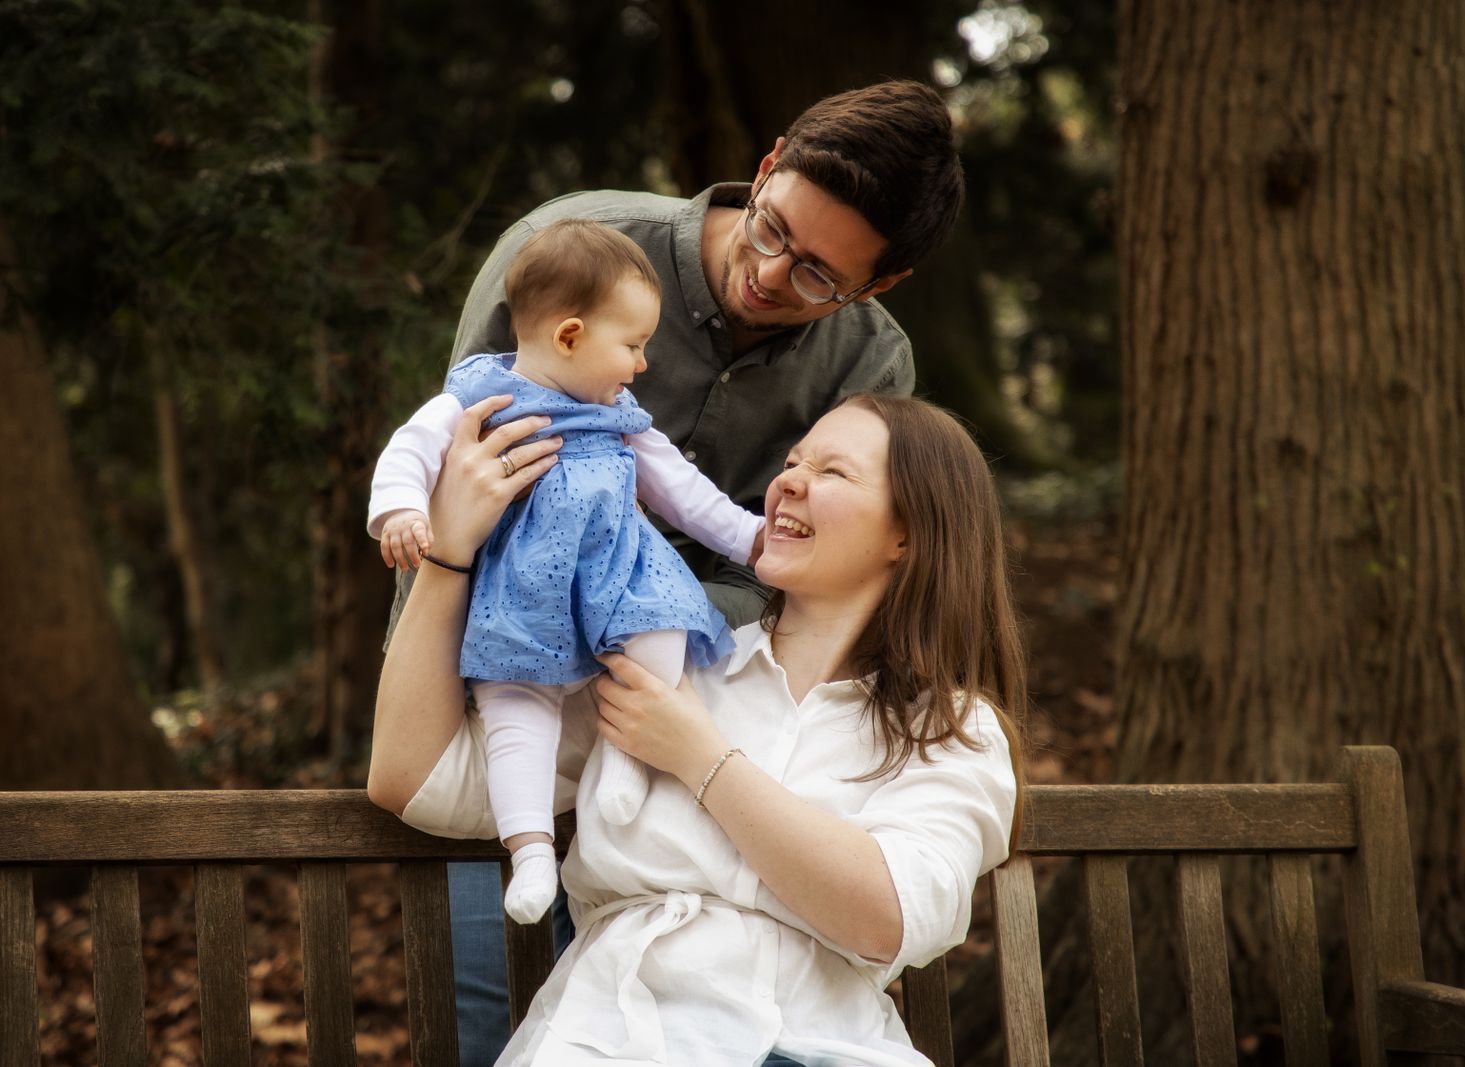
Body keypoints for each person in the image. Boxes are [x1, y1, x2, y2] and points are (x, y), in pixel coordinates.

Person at [391, 79, 968, 1066]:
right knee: (489, 1021)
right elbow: (464, 488)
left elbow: (811, 574)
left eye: (821, 274)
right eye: (773, 226)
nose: (771, 273)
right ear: (768, 160)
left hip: (694, 732)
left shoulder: (867, 364)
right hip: (513, 688)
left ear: (882, 283)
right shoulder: (575, 248)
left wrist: (664, 657)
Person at [369, 391, 1027, 1066]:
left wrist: (701, 757)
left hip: (823, 1047)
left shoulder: (952, 731)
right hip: (615, 1042)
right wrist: (449, 555)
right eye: (793, 461)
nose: (789, 481)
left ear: (909, 532)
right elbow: (414, 778)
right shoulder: (662, 662)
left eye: (833, 472)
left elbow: (887, 915)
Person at [368, 219, 765, 924]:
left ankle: (627, 766)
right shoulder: (478, 396)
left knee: (659, 638)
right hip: (524, 595)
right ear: (571, 336)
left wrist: (753, 538)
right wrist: (400, 509)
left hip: (621, 582)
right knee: (515, 711)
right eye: (634, 345)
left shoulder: (620, 415)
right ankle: (528, 852)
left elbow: (684, 492)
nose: (642, 364)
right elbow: (409, 451)